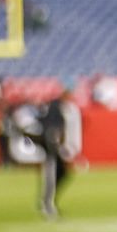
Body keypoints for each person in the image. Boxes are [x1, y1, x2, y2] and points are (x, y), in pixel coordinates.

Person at [34, 86, 83, 220]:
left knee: (62, 174)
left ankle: (49, 202)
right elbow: (52, 130)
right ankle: (47, 204)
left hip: (56, 149)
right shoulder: (55, 107)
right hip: (51, 150)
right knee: (51, 176)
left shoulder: (60, 107)